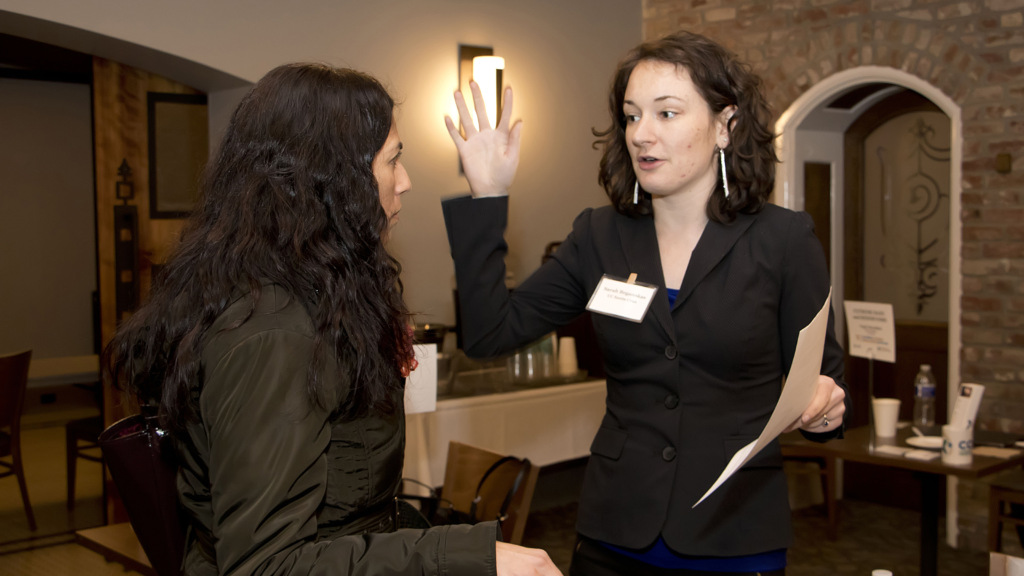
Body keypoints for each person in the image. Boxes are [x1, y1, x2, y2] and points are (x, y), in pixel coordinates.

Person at [104, 63, 560, 576]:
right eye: (393, 161)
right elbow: (266, 566)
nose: (405, 182)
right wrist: (467, 556)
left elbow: (352, 516)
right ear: (332, 182)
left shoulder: (316, 297)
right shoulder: (272, 331)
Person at [442, 32, 850, 575]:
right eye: (632, 116)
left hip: (732, 535)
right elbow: (489, 333)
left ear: (725, 125)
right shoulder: (599, 236)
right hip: (613, 533)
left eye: (667, 113)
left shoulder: (784, 240)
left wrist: (824, 409)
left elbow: (827, 381)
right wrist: (488, 196)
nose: (642, 134)